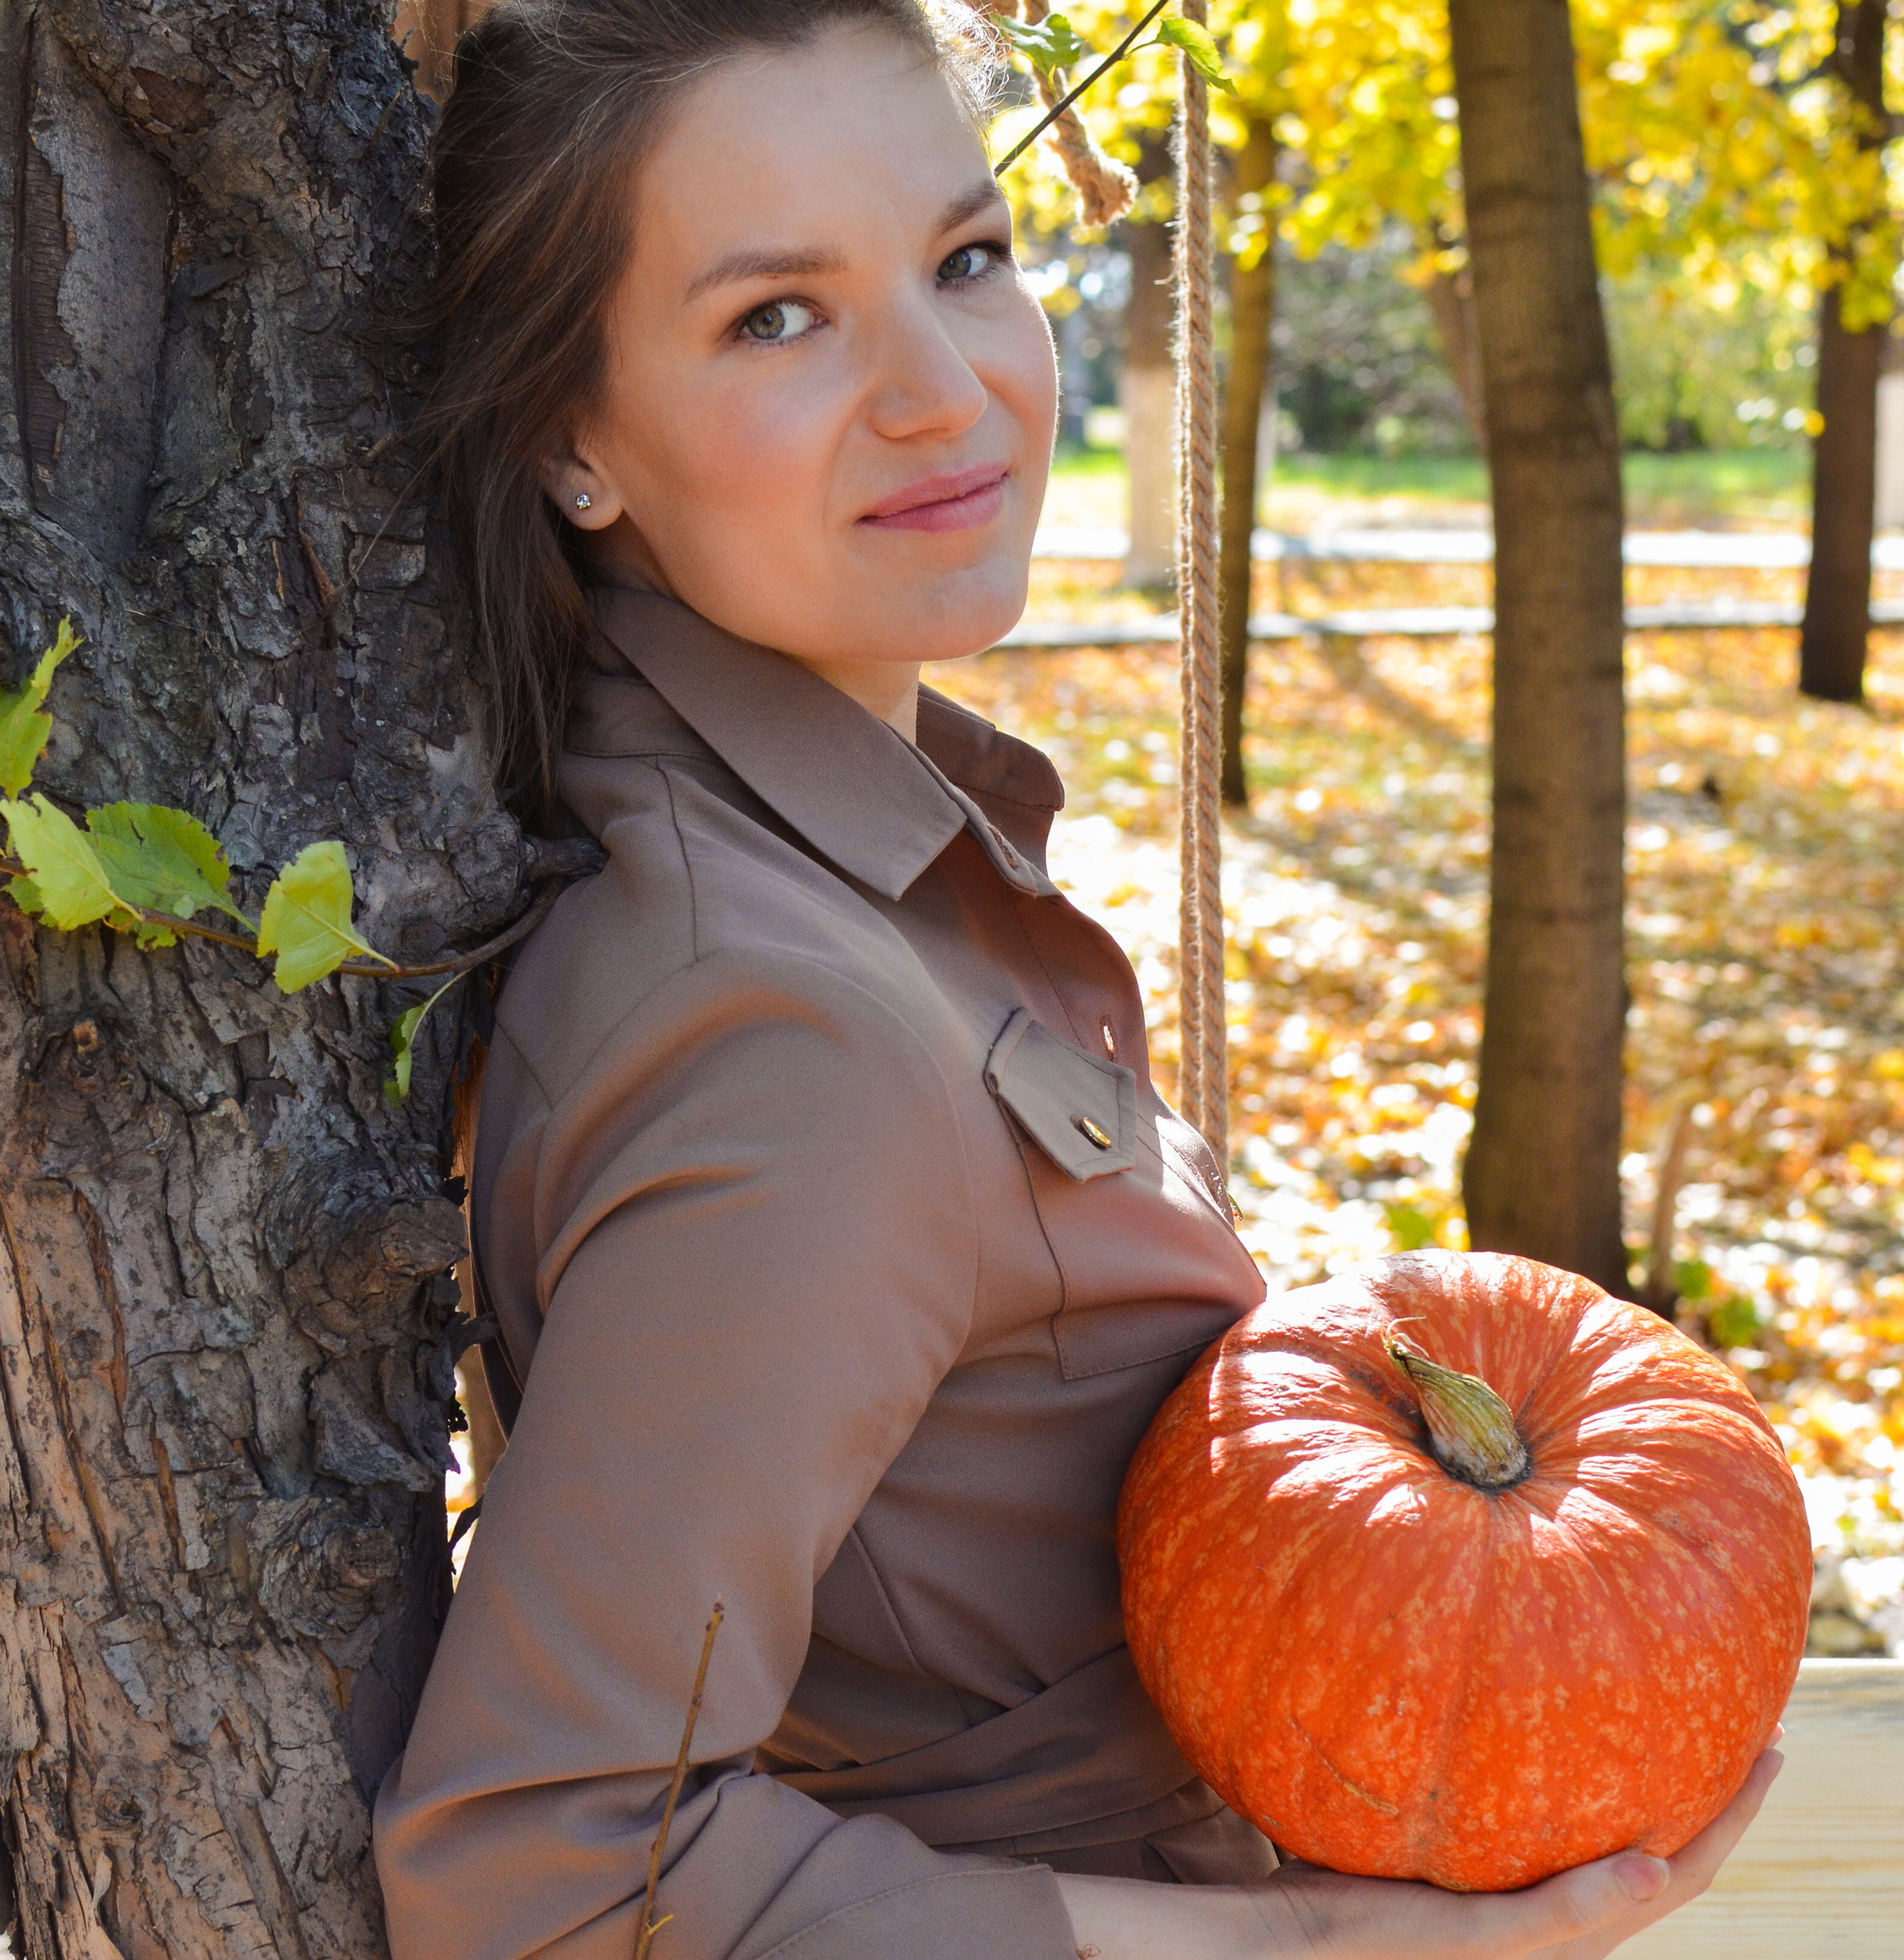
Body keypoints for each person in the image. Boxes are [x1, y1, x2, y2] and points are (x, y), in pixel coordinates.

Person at [372, 5, 1782, 1956]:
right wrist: (1316, 1948)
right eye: (776, 316)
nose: (942, 390)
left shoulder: (842, 860)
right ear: (569, 438)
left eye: (966, 260)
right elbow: (540, 1868)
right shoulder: (787, 1033)